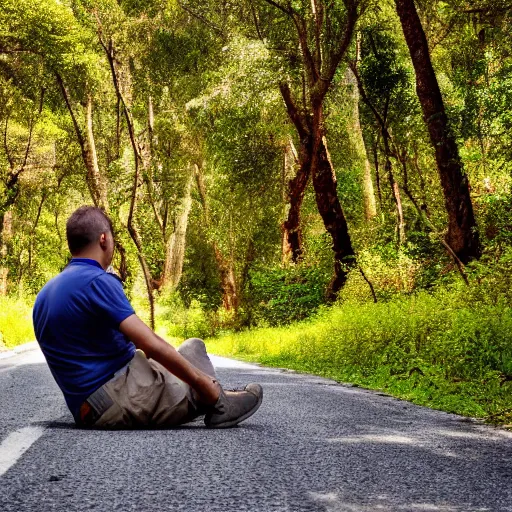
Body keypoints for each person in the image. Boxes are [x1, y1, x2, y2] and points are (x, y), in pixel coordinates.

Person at [32, 206, 263, 429]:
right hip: (117, 399)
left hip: (85, 408)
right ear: (104, 239)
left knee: (191, 349)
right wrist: (204, 386)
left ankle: (208, 393)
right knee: (195, 354)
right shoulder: (97, 281)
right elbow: (148, 343)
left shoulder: (44, 294)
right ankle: (219, 402)